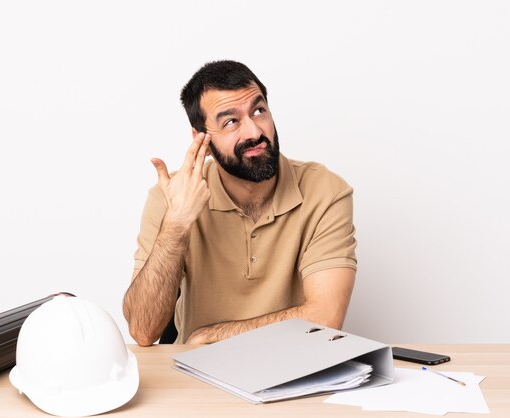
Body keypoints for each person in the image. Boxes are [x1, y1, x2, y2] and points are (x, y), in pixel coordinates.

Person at [123, 60, 357, 346]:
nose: (254, 132)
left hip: (293, 366)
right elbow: (143, 331)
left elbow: (326, 317)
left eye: (259, 111)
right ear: (202, 140)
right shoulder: (171, 196)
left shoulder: (325, 191)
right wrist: (177, 223)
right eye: (231, 121)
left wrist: (215, 335)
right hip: (197, 375)